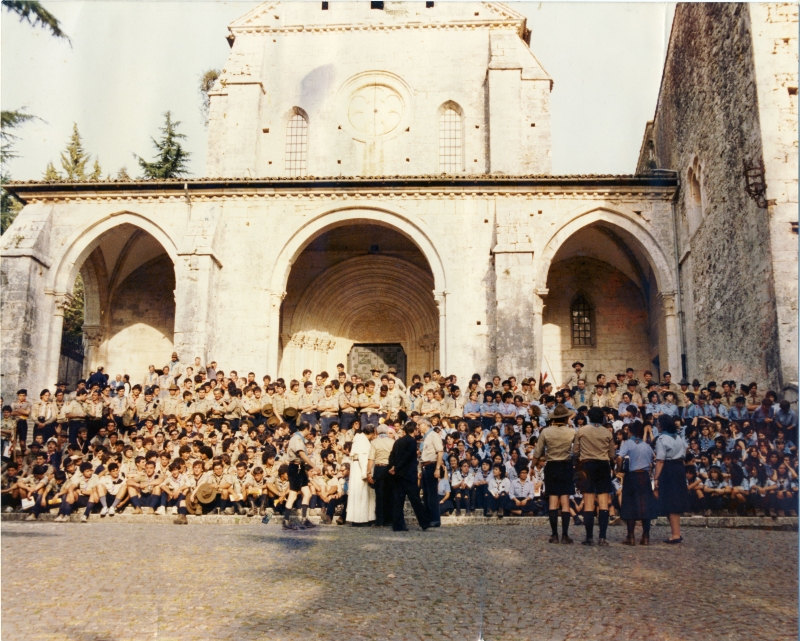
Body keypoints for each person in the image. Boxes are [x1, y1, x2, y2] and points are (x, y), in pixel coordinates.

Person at [531, 404, 578, 544]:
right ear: (565, 418)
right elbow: (576, 451)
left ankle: (554, 534)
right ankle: (565, 534)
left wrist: (532, 466)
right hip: (566, 465)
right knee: (565, 501)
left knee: (552, 500)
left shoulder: (546, 431)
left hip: (551, 465)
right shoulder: (571, 432)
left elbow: (538, 451)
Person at [576, 407, 616, 546]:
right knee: (603, 501)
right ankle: (603, 537)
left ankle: (589, 537)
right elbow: (612, 454)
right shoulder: (607, 432)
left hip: (587, 465)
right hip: (603, 465)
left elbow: (575, 451)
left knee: (588, 501)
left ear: (589, 418)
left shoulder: (582, 431)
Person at [617, 420, 657, 545]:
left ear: (631, 431)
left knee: (630, 505)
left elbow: (620, 457)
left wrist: (619, 469)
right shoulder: (646, 445)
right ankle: (646, 536)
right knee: (645, 505)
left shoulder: (628, 443)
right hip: (644, 476)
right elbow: (652, 459)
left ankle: (631, 536)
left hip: (632, 475)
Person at [388, 422, 430, 531]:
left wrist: (393, 466)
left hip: (398, 475)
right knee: (415, 500)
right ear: (413, 430)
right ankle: (424, 522)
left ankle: (397, 525)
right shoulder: (411, 441)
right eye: (416, 429)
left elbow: (391, 455)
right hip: (408, 476)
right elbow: (406, 457)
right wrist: (396, 467)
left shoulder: (398, 441)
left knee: (398, 501)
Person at [654, 413, 689, 543]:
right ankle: (676, 532)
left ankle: (675, 534)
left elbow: (660, 460)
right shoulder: (679, 438)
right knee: (675, 501)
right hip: (679, 467)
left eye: (658, 423)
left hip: (668, 468)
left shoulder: (662, 439)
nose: (656, 425)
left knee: (672, 501)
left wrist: (656, 477)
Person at [282, 422, 319, 531]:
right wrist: (314, 466)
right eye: (310, 429)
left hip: (300, 468)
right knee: (293, 495)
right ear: (306, 428)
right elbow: (302, 454)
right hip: (295, 468)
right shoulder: (297, 438)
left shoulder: (301, 438)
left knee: (307, 493)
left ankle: (304, 519)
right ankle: (286, 520)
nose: (310, 431)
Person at [346, 423, 376, 526]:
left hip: (355, 468)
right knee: (361, 494)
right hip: (360, 469)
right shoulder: (363, 441)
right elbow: (363, 459)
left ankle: (357, 518)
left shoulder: (358, 439)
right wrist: (366, 474)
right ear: (371, 432)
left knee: (357, 494)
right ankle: (360, 519)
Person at [418, 417, 445, 528]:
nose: (418, 427)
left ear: (425, 424)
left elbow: (440, 451)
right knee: (426, 494)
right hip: (424, 465)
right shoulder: (425, 437)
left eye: (419, 424)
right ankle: (428, 518)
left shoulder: (434, 435)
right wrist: (419, 469)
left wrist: (437, 468)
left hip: (432, 465)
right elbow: (421, 455)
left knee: (432, 494)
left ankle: (435, 519)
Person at [367, 424, 394, 527]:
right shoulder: (392, 442)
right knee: (390, 494)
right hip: (389, 469)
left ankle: (380, 520)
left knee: (379, 495)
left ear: (377, 432)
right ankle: (389, 519)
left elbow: (371, 458)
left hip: (379, 468)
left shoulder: (374, 442)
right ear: (387, 432)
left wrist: (369, 472)